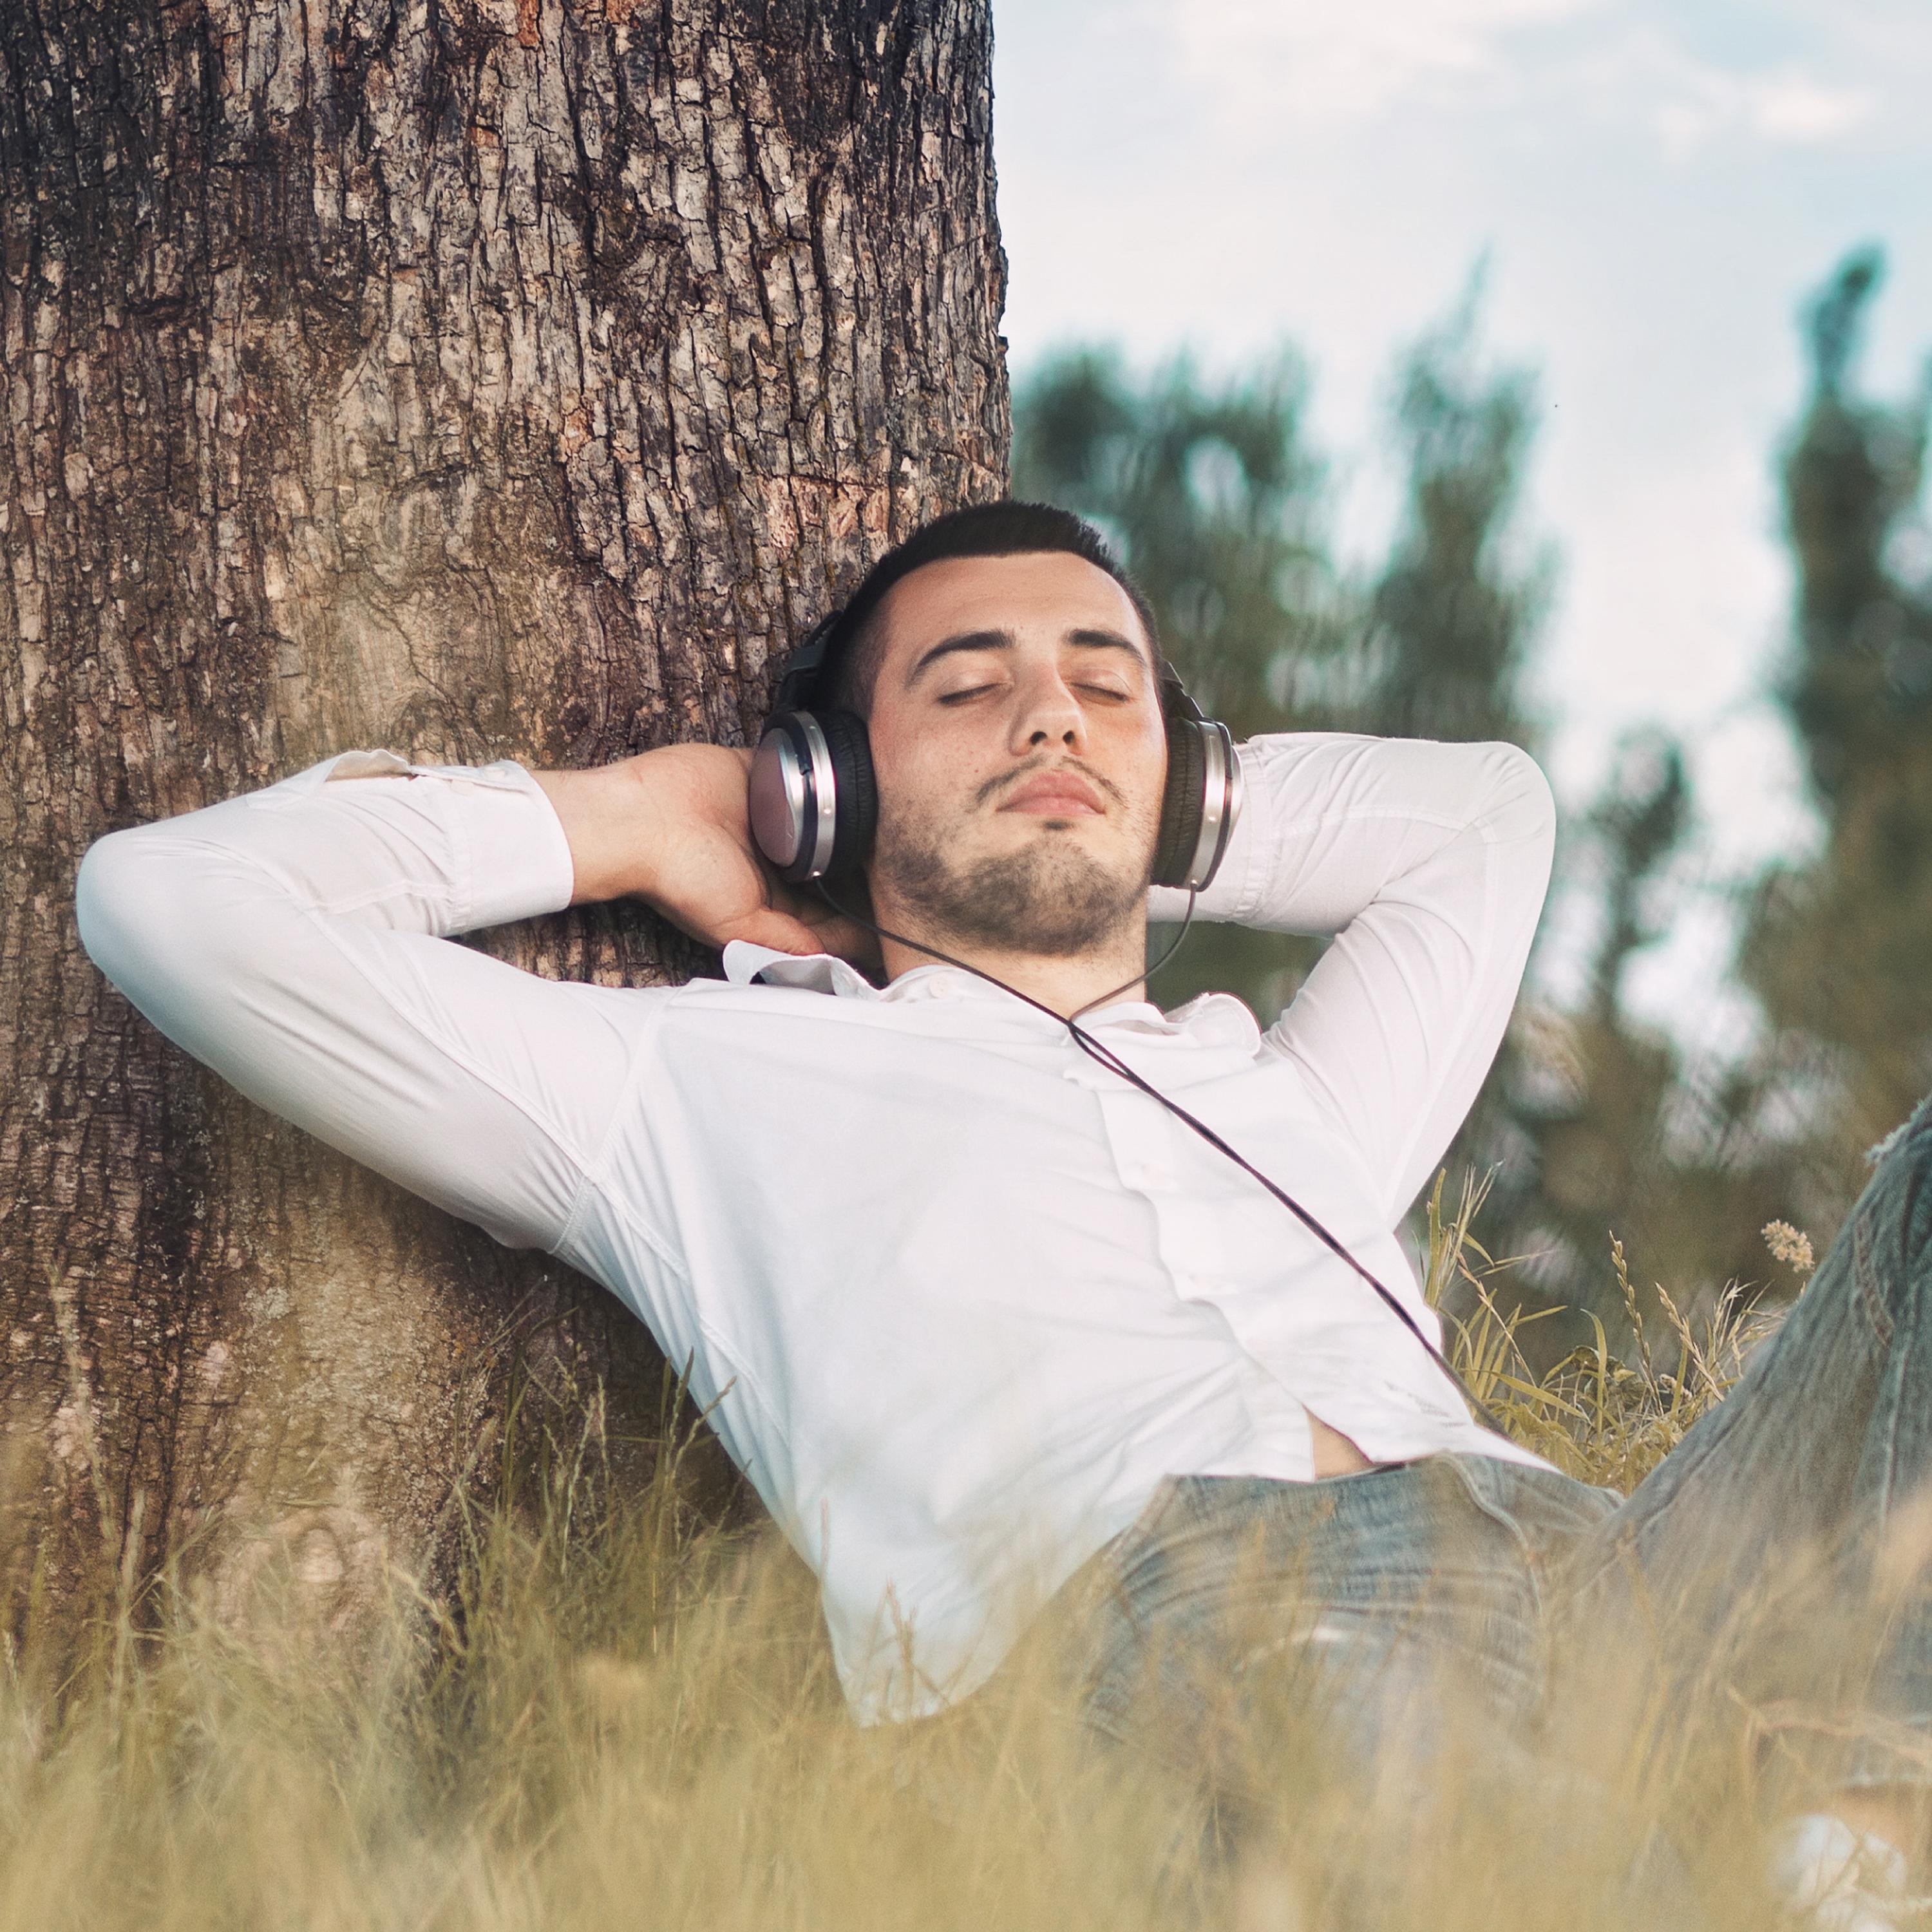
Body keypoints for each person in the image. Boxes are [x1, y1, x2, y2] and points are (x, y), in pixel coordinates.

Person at [75, 502, 1932, 1926]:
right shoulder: (691, 1092)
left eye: (1107, 686)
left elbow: (1488, 818)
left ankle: (1842, 1832)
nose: (1051, 708)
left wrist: (1161, 800)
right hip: (1195, 1623)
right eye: (966, 687)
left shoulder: (1297, 1101)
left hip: (1611, 1564)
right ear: (830, 786)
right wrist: (644, 815)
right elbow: (176, 909)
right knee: (1429, 1788)